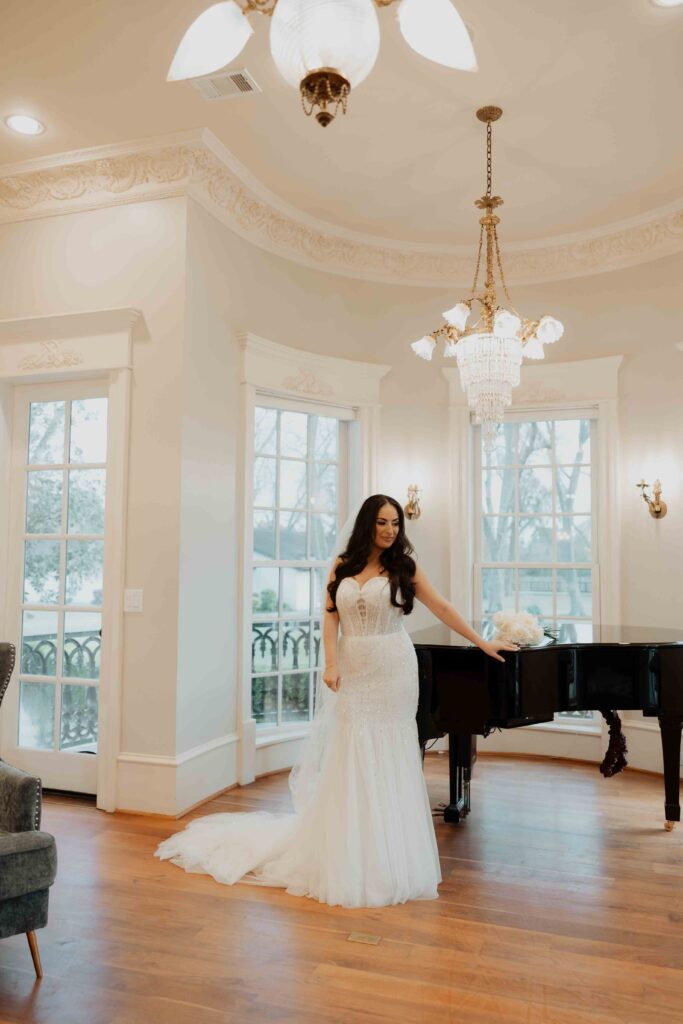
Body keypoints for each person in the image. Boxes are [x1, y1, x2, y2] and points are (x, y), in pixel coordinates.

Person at [155, 494, 517, 908]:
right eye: (382, 522)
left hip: (393, 668)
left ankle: (388, 856)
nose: (390, 530)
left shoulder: (404, 566)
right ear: (367, 524)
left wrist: (481, 642)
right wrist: (330, 663)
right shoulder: (342, 565)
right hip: (352, 665)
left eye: (396, 523)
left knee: (389, 749)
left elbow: (442, 606)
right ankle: (347, 851)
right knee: (351, 750)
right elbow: (329, 614)